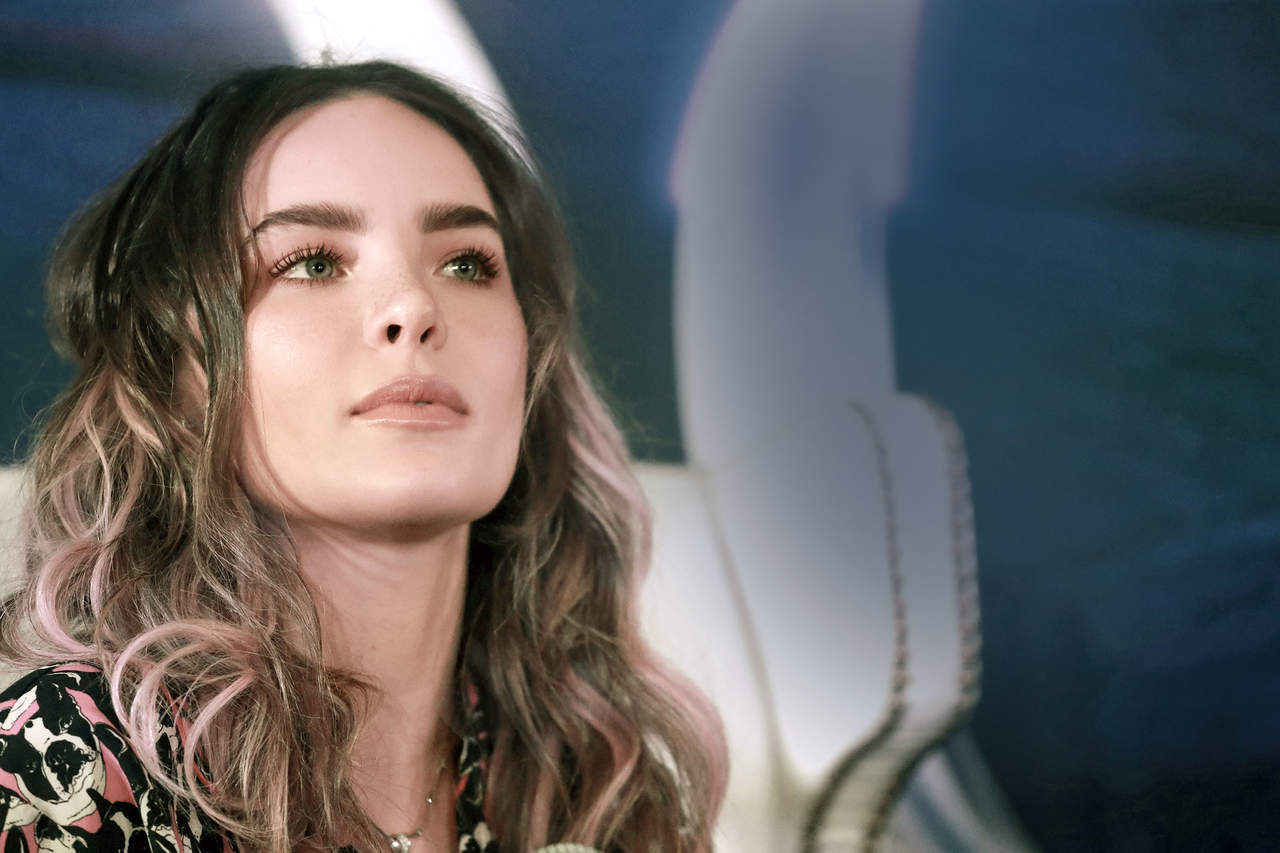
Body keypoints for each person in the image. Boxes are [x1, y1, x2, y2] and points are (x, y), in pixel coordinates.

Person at [0, 61, 727, 853]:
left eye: (467, 263)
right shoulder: (63, 770)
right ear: (179, 368)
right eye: (313, 262)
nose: (414, 305)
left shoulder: (606, 786)